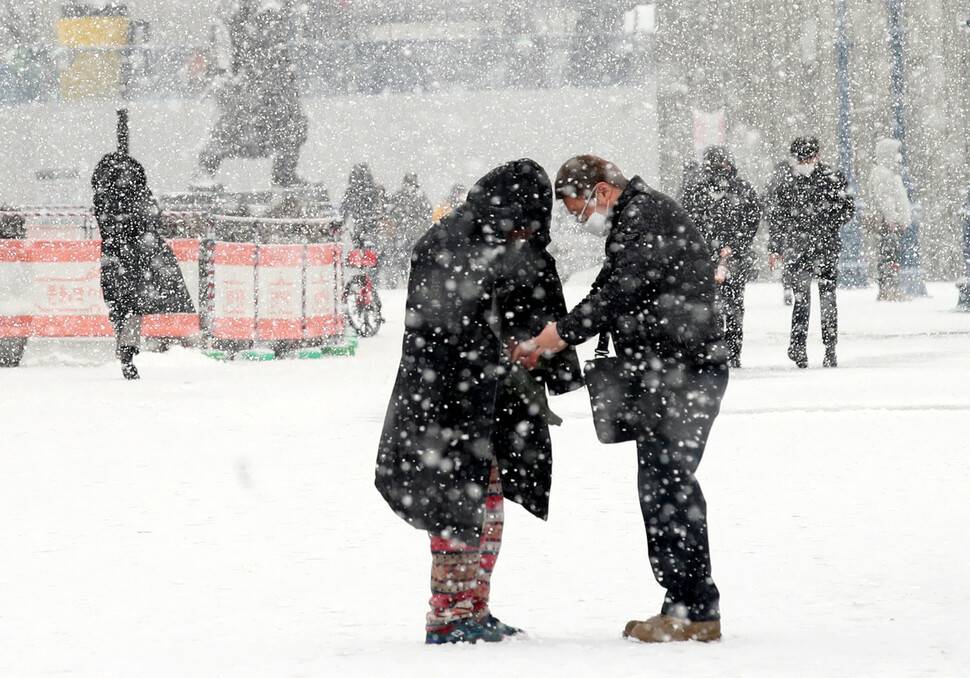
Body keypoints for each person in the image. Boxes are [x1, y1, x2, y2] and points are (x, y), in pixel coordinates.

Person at [516, 155, 728, 643]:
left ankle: (691, 608)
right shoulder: (638, 216)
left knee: (668, 486)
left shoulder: (644, 216)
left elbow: (618, 294)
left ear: (601, 192)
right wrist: (558, 333)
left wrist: (559, 335)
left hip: (683, 372)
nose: (578, 219)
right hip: (673, 371)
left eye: (576, 209)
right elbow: (611, 286)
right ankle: (690, 603)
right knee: (664, 485)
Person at [375, 159, 582, 645]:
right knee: (456, 503)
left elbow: (532, 298)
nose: (530, 233)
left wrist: (536, 353)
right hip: (448, 403)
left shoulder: (505, 241)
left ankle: (476, 605)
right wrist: (498, 349)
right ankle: (447, 614)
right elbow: (445, 326)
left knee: (488, 501)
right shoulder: (450, 242)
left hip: (488, 400)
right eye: (527, 222)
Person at [91, 153, 195, 380]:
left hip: (114, 259)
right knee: (133, 307)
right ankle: (129, 348)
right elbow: (153, 221)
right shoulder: (140, 196)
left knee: (120, 305)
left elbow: (108, 226)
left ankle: (125, 348)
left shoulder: (103, 198)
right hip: (138, 260)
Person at [197, 0, 309, 187]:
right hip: (246, 78)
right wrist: (224, 73)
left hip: (274, 79)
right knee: (229, 129)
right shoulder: (235, 9)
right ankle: (204, 172)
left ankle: (285, 175)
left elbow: (283, 42)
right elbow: (222, 40)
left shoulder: (278, 9)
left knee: (294, 125)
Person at [766, 137, 855, 369]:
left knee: (822, 299)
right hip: (807, 247)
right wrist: (775, 246)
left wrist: (826, 222)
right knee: (806, 299)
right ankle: (801, 346)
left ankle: (827, 347)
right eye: (802, 158)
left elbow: (847, 209)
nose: (806, 162)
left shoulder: (824, 179)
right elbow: (778, 217)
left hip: (817, 246)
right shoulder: (799, 182)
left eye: (809, 158)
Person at [682, 146, 761, 367]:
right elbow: (751, 221)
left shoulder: (699, 190)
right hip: (721, 255)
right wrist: (735, 244)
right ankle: (730, 352)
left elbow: (688, 223)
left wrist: (729, 246)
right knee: (729, 305)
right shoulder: (739, 189)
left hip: (720, 255)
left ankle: (724, 352)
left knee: (720, 305)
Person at [868, 138, 912, 301]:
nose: (898, 157)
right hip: (889, 224)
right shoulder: (883, 173)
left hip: (892, 223)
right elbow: (885, 198)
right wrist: (892, 219)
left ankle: (891, 287)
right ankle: (888, 289)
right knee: (889, 255)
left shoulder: (890, 173)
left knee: (892, 255)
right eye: (895, 153)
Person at [386, 173, 432, 287]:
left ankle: (398, 283)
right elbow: (427, 215)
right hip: (413, 234)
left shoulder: (400, 196)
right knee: (409, 259)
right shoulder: (420, 196)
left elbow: (390, 213)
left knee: (400, 259)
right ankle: (409, 282)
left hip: (404, 234)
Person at [342, 163, 385, 248]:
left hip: (358, 229)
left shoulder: (351, 192)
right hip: (371, 229)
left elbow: (344, 211)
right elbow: (381, 210)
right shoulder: (374, 191)